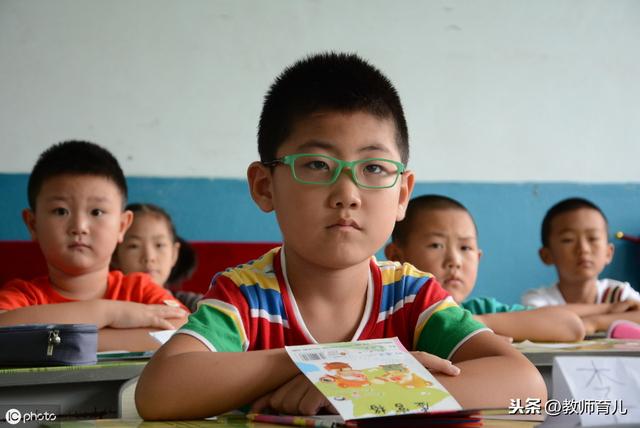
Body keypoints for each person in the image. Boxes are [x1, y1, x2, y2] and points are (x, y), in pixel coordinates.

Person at [135, 52, 546, 420]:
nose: (347, 194)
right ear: (264, 186)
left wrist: (368, 387)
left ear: (402, 194)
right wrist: (331, 364)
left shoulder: (412, 296)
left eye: (374, 168)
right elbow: (159, 393)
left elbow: (526, 386)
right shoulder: (245, 298)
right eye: (317, 164)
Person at [0, 141, 188, 351]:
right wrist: (109, 313)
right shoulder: (24, 296)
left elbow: (184, 330)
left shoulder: (140, 290)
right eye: (61, 211)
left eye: (96, 212)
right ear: (33, 224)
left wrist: (65, 342)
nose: (79, 227)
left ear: (122, 226)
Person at [385, 195, 585, 343]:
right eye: (436, 245)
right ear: (396, 257)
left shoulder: (481, 311)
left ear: (478, 258)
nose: (455, 261)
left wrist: (472, 324)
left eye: (465, 248)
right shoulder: (387, 318)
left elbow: (570, 326)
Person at [522, 197, 640, 334]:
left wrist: (594, 323)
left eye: (593, 238)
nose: (583, 249)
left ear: (608, 253)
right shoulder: (538, 299)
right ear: (546, 255)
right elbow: (539, 318)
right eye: (568, 240)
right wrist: (608, 309)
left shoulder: (619, 293)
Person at [112, 203, 202, 312]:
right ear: (115, 257)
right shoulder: (106, 307)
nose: (149, 257)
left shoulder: (197, 306)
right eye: (134, 246)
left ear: (174, 254)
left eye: (159, 245)